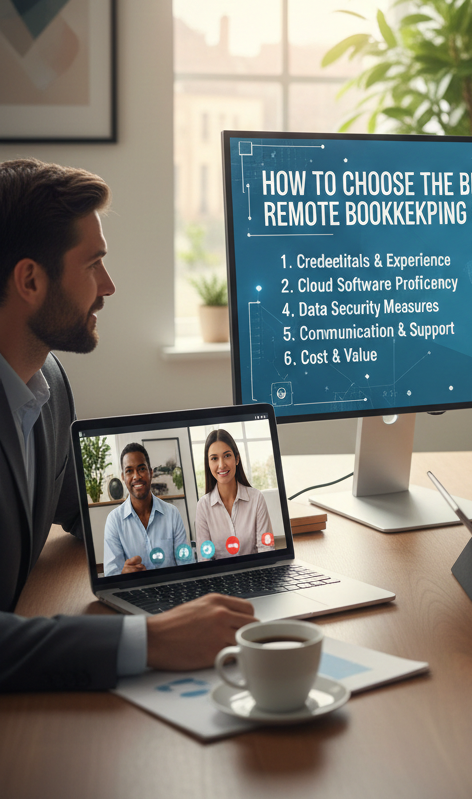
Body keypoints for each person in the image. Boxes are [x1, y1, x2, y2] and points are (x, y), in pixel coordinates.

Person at [0, 158, 255, 693]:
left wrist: (215, 567)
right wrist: (151, 639)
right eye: (93, 264)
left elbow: (74, 508)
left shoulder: (45, 381)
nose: (109, 285)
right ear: (30, 280)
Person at [103, 442, 192, 576]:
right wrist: (123, 575)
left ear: (150, 472)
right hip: (135, 591)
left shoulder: (172, 514)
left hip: (172, 589)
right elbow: (110, 575)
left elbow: (186, 564)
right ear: (123, 477)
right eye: (129, 471)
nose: (136, 476)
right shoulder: (114, 520)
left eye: (141, 469)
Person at [194, 428, 275, 560]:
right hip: (220, 579)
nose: (221, 465)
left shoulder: (256, 498)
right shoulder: (203, 506)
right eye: (214, 458)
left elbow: (267, 550)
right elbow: (205, 560)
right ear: (208, 464)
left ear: (237, 459)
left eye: (227, 456)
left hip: (255, 575)